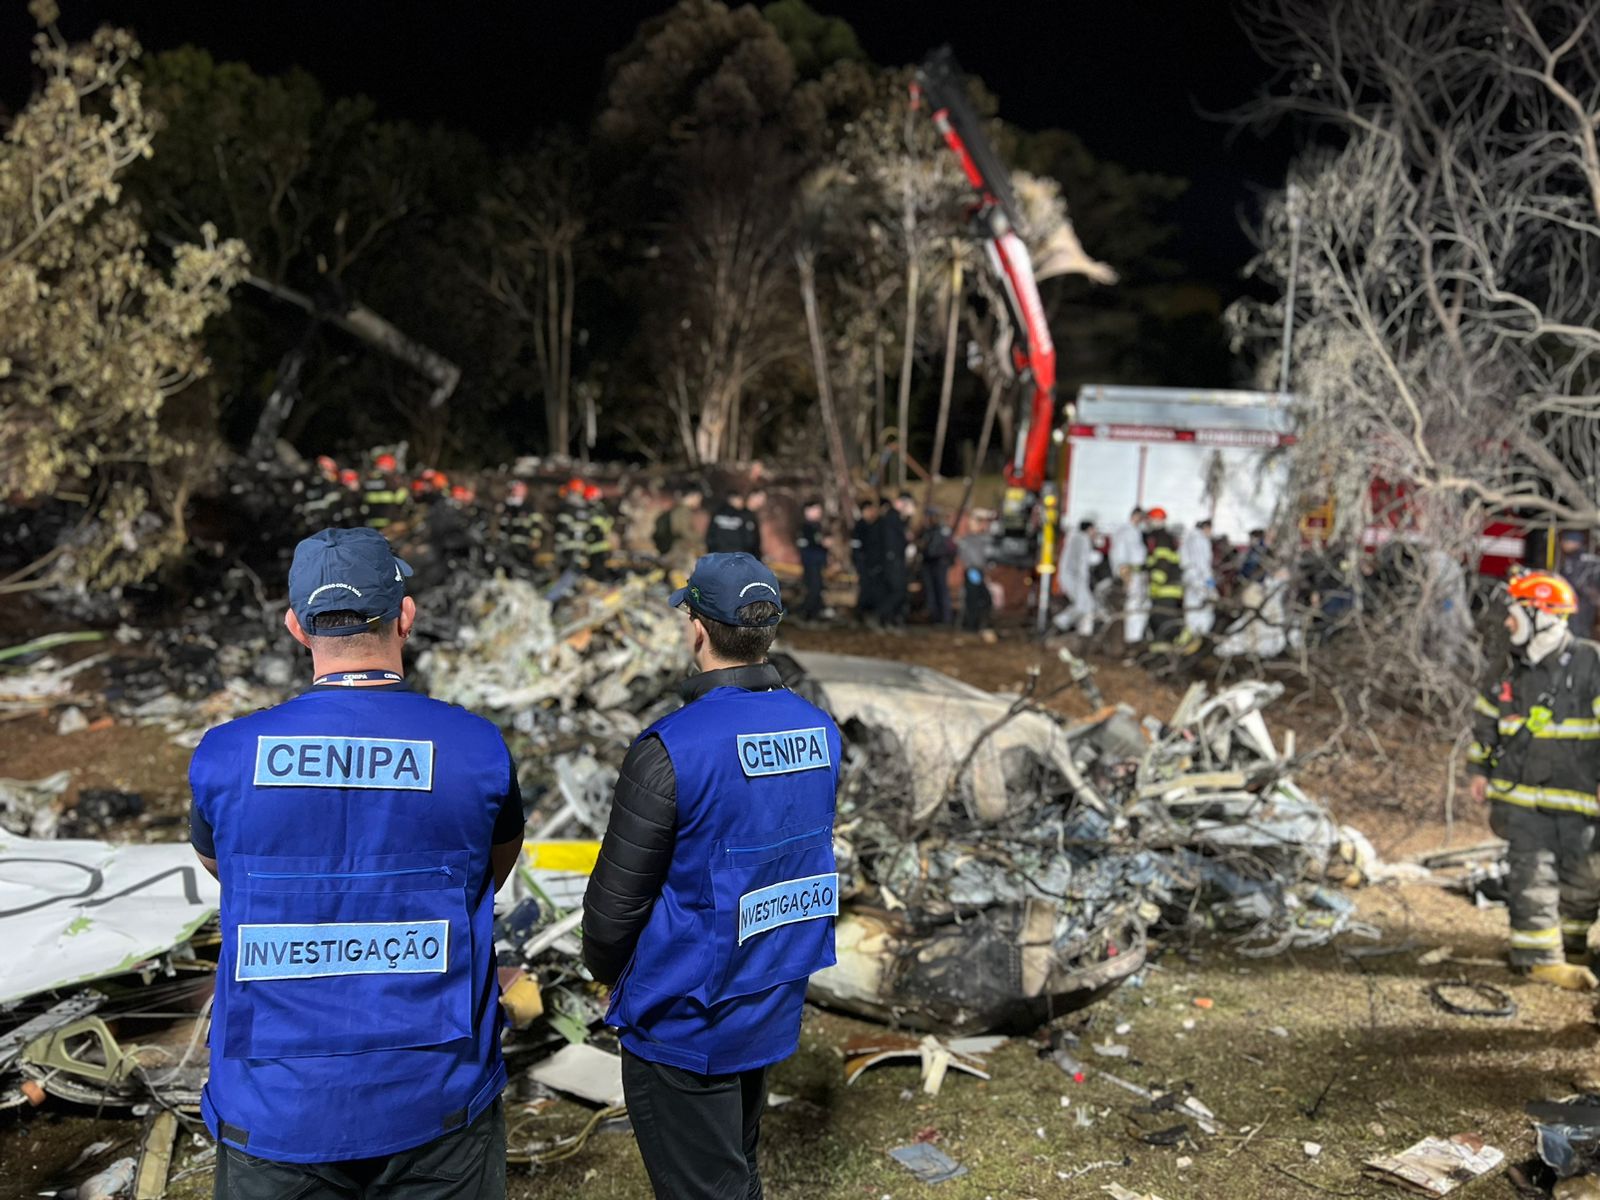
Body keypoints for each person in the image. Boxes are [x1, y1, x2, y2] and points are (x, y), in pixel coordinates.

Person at [187, 527, 524, 1196]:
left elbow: (227, 871)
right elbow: (488, 872)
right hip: (437, 1100)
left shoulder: (225, 755)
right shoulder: (475, 748)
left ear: (295, 626)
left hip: (274, 1110)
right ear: (405, 614)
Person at [582, 552, 840, 1200]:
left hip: (684, 1016)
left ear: (696, 627)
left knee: (708, 1184)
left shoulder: (672, 747)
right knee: (732, 1164)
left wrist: (608, 974)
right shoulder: (821, 733)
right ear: (767, 631)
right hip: (768, 993)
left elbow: (614, 908)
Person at [1469, 570, 1600, 990]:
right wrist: (1478, 770)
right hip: (1523, 799)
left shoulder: (1590, 662)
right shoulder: (1506, 668)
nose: (1508, 622)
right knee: (1533, 877)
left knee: (1585, 877)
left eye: (1515, 613)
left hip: (1578, 798)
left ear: (1542, 615)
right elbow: (1485, 723)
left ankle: (1569, 944)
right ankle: (1539, 959)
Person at [1110, 507, 1149, 646]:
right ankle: (1132, 638)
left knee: (1141, 604)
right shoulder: (1125, 532)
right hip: (1131, 573)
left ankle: (1136, 636)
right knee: (1134, 605)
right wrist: (1124, 573)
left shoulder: (1135, 532)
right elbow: (1119, 554)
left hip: (1139, 574)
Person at [1055, 520, 1098, 637]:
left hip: (1071, 577)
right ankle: (1063, 623)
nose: (1095, 532)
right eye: (1094, 529)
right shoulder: (1083, 539)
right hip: (1074, 577)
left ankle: (1080, 630)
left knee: (1085, 605)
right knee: (1086, 605)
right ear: (1089, 529)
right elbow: (1084, 561)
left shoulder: (1075, 538)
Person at [1558, 530, 1600, 640]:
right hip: (1589, 606)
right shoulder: (1593, 558)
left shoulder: (1574, 559)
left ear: (1574, 542)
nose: (1562, 544)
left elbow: (1569, 582)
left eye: (1565, 541)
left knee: (1574, 636)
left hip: (1576, 606)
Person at [919, 506, 957, 626]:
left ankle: (946, 619)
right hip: (928, 563)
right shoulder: (925, 531)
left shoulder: (943, 530)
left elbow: (951, 548)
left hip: (940, 563)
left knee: (941, 590)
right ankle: (934, 617)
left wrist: (949, 560)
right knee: (931, 591)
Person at [1181, 518, 1218, 636]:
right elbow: (1202, 563)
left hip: (1190, 576)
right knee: (1204, 607)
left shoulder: (1188, 538)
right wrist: (1210, 582)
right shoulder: (1200, 540)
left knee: (1192, 606)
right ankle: (1200, 633)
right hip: (1199, 578)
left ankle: (1192, 632)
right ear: (1206, 528)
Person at [958, 510, 994, 631]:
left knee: (982, 599)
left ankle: (975, 624)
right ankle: (972, 625)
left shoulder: (981, 539)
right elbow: (969, 558)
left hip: (977, 571)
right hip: (972, 571)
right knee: (975, 599)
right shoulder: (968, 540)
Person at [851, 497, 886, 623]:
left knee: (874, 590)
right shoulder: (860, 527)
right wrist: (860, 564)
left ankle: (869, 613)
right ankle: (860, 614)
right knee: (865, 590)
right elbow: (856, 549)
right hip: (864, 565)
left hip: (874, 564)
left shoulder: (875, 526)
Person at [879, 494, 912, 627]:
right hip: (894, 559)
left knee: (897, 590)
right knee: (898, 590)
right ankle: (883, 614)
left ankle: (889, 617)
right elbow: (902, 538)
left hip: (894, 559)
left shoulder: (894, 519)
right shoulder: (892, 518)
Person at [796, 498, 829, 621]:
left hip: (818, 562)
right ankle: (806, 614)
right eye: (815, 509)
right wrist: (822, 543)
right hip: (810, 562)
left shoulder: (818, 525)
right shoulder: (805, 527)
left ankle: (815, 612)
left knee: (818, 587)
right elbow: (809, 544)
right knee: (813, 588)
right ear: (807, 511)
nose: (818, 512)